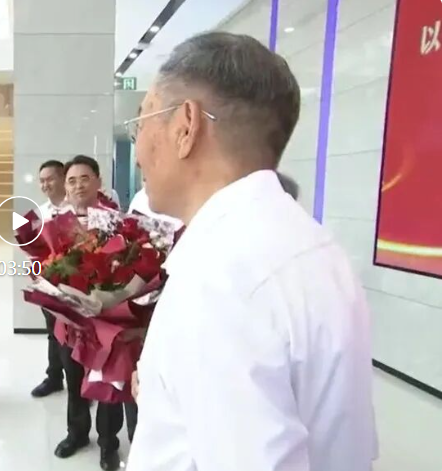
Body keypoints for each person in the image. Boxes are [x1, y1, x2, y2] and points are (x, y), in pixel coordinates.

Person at [127, 32, 376, 471]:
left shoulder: (220, 279)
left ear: (186, 126)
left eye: (143, 119)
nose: (138, 150)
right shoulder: (315, 246)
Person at [53, 154, 137, 471]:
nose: (78, 186)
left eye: (85, 178)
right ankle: (76, 434)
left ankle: (108, 444)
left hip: (105, 321)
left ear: (98, 182)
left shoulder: (117, 223)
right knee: (74, 380)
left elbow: (129, 268)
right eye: (72, 181)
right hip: (69, 321)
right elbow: (44, 264)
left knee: (106, 384)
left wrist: (109, 295)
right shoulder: (56, 224)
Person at [30, 160, 68, 398]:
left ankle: (82, 384)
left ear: (63, 178)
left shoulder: (76, 209)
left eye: (50, 179)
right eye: (42, 181)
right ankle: (54, 377)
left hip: (76, 284)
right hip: (48, 282)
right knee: (53, 331)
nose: (45, 185)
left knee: (76, 335)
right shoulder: (40, 213)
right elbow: (35, 250)